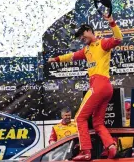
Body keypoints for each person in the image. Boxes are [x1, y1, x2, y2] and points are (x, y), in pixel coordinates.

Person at [48, 14, 123, 161]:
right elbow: (71, 56)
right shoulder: (87, 50)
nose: (82, 39)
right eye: (80, 38)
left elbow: (118, 39)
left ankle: (85, 151)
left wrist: (112, 22)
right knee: (97, 123)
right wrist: (56, 59)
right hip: (105, 87)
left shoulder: (102, 44)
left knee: (79, 118)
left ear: (89, 31)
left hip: (99, 84)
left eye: (83, 35)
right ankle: (111, 147)